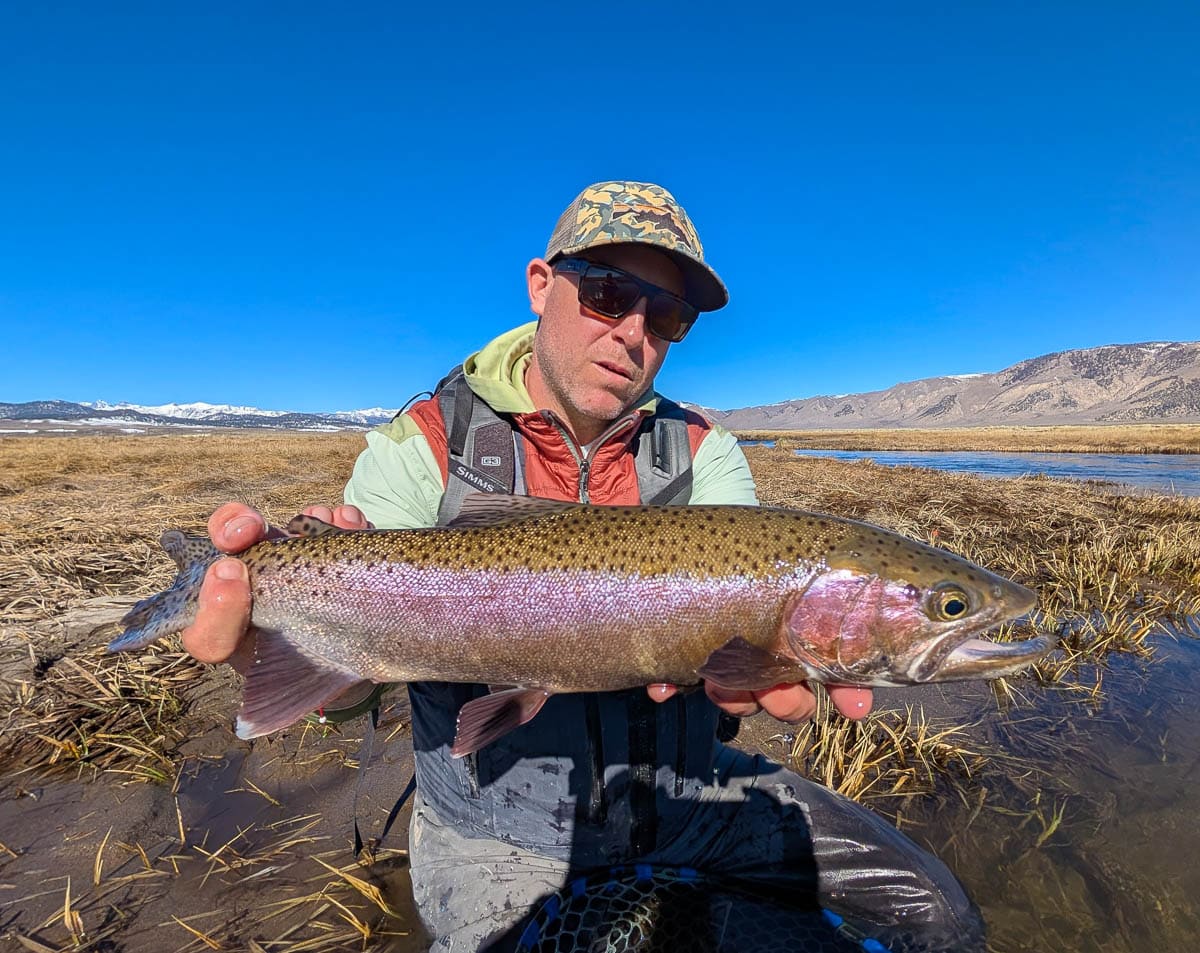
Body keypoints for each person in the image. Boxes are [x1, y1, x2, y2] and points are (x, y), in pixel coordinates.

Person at [182, 181, 986, 952]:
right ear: (542, 285)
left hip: (684, 798)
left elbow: (747, 666)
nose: (633, 331)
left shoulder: (706, 454)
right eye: (607, 293)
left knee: (939, 913)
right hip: (495, 831)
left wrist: (759, 674)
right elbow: (355, 695)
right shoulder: (419, 446)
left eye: (665, 313)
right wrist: (291, 644)